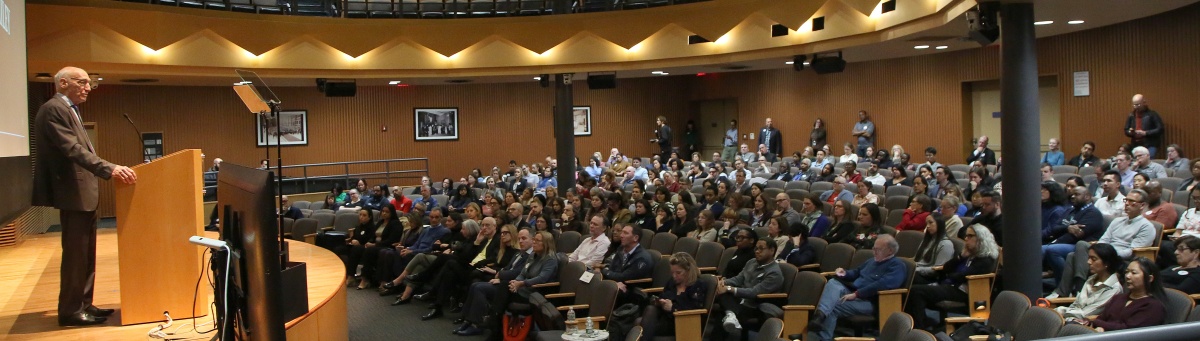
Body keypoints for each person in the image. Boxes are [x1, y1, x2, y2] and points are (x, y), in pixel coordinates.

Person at [33, 67, 138, 326]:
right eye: (82, 82)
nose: (88, 87)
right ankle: (70, 311)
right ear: (63, 83)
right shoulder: (53, 108)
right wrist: (110, 168)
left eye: (90, 83)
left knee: (86, 255)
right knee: (75, 256)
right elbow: (72, 149)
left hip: (82, 192)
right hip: (72, 192)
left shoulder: (70, 109)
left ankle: (84, 304)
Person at [809, 235, 905, 341]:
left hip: (870, 301)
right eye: (874, 248)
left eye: (878, 249)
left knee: (834, 305)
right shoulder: (872, 261)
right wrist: (845, 273)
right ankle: (820, 315)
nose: (874, 252)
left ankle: (823, 336)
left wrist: (857, 294)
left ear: (890, 251)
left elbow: (882, 285)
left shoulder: (897, 265)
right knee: (833, 283)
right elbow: (856, 272)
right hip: (853, 292)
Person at [904, 224, 999, 331]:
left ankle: (919, 329)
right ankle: (921, 323)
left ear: (981, 238)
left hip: (964, 292)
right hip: (952, 286)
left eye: (970, 236)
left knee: (917, 292)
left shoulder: (986, 260)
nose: (966, 239)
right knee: (913, 288)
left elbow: (961, 276)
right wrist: (960, 257)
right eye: (966, 236)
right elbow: (946, 268)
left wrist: (950, 275)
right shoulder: (969, 253)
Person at [454, 228, 533, 336]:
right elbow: (507, 268)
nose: (521, 241)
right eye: (519, 238)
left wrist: (500, 275)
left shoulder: (530, 256)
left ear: (532, 239)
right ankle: (467, 320)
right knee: (474, 285)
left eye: (524, 238)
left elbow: (516, 273)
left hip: (510, 287)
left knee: (479, 288)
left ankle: (476, 325)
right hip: (503, 281)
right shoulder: (519, 253)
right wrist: (501, 274)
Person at [711, 238, 784, 338]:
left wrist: (728, 288)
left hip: (754, 305)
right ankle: (731, 314)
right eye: (756, 248)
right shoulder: (752, 262)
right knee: (720, 294)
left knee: (722, 314)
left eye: (761, 248)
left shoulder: (774, 273)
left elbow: (754, 292)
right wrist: (722, 283)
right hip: (739, 300)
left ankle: (730, 314)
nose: (757, 251)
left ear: (772, 250)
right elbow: (738, 279)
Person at [1073, 257, 1166, 331]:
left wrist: (1100, 325)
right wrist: (1097, 326)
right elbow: (1102, 318)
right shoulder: (1118, 298)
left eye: (1133, 273)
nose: (1128, 276)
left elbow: (1127, 330)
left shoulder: (1153, 306)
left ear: (1149, 279)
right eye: (1127, 272)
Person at [1042, 186, 1105, 287]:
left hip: (1081, 246)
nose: (1072, 196)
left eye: (1077, 194)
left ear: (1087, 197)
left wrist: (1056, 241)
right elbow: (1054, 228)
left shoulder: (1093, 213)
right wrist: (1067, 228)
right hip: (1063, 242)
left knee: (1051, 250)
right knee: (1038, 249)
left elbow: (1076, 236)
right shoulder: (1071, 210)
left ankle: (1065, 285)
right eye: (1072, 194)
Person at [641, 252, 708, 338]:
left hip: (682, 322)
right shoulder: (672, 282)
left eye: (678, 273)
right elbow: (663, 296)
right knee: (649, 311)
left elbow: (694, 309)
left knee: (641, 325)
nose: (674, 276)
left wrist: (672, 308)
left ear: (689, 271)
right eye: (672, 272)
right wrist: (660, 302)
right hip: (666, 317)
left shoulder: (698, 285)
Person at [912, 216, 955, 284]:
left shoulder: (946, 244)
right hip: (918, 271)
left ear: (939, 224)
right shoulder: (927, 240)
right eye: (926, 223)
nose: (928, 226)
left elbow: (937, 269)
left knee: (907, 275)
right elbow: (916, 259)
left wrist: (916, 269)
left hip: (930, 279)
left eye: (930, 222)